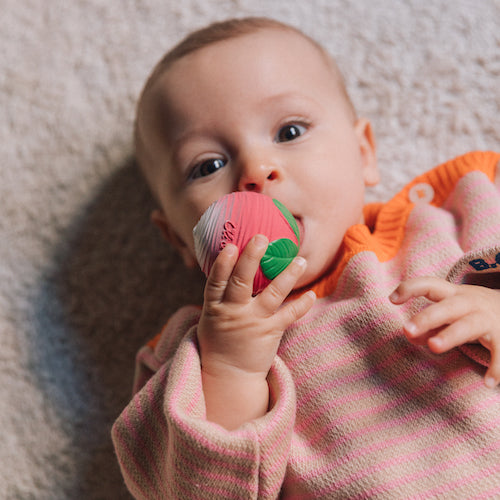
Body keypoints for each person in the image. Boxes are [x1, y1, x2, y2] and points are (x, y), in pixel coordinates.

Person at [112, 16, 500, 499]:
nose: (256, 170)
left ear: (363, 153)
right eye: (208, 165)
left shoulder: (453, 222)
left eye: (289, 131)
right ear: (178, 239)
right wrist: (232, 370)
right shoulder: (194, 360)